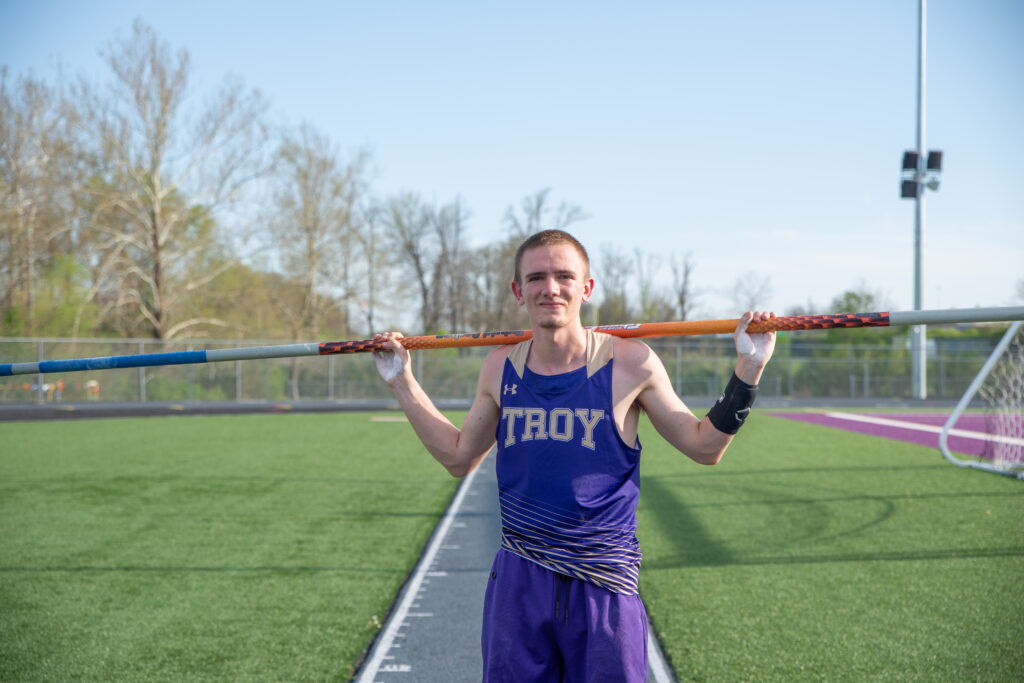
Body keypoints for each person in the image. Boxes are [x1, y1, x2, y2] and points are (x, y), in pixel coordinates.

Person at [372, 229, 776, 682]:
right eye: (537, 277)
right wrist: (402, 382)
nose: (551, 288)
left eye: (564, 276)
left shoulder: (631, 363)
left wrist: (749, 369)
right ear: (518, 290)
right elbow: (457, 457)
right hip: (520, 581)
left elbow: (705, 447)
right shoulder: (500, 367)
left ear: (586, 287)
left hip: (604, 586)